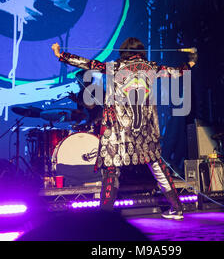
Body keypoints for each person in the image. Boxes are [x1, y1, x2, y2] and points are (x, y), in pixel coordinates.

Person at [51, 37, 197, 219]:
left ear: (123, 52)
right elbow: (177, 72)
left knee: (111, 172)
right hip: (145, 133)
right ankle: (177, 208)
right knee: (159, 168)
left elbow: (88, 64)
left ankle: (105, 217)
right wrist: (191, 61)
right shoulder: (151, 68)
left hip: (118, 133)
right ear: (141, 52)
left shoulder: (114, 68)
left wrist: (61, 54)